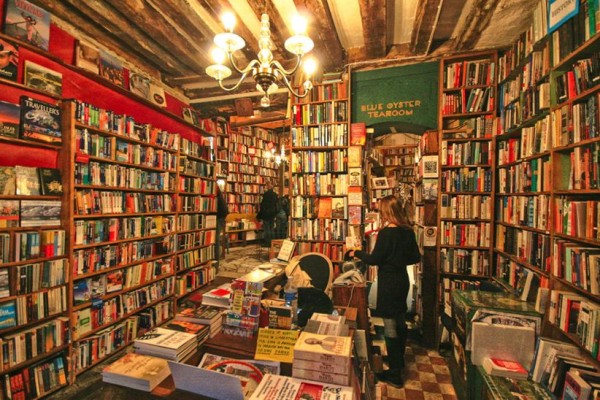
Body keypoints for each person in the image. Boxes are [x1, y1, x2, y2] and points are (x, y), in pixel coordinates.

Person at [348, 195, 420, 388]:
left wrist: (357, 253)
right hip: (402, 279)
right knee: (399, 319)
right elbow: (415, 257)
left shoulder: (387, 233)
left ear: (387, 211)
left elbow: (374, 260)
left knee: (390, 325)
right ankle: (399, 361)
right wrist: (398, 258)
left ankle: (395, 373)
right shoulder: (408, 232)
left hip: (388, 281)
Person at [256, 183, 278, 247]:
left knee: (267, 229)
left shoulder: (266, 194)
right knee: (271, 228)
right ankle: (272, 242)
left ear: (268, 187)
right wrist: (275, 213)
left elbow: (263, 205)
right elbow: (276, 205)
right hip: (273, 214)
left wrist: (259, 215)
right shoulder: (275, 195)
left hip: (266, 214)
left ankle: (267, 243)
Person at [216, 187, 229, 260]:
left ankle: (217, 259)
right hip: (221, 216)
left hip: (219, 216)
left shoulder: (216, 192)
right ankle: (217, 257)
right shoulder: (219, 193)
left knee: (216, 239)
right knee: (216, 238)